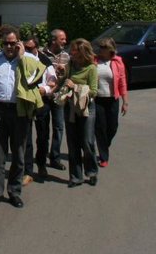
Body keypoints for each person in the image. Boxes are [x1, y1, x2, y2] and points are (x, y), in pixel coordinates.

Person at [0, 25, 35, 208]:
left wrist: (22, 57)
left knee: (18, 153)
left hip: (20, 111)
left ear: (19, 43)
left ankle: (14, 192)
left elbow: (33, 80)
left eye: (13, 43)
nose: (9, 47)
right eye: (6, 43)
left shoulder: (28, 60)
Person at [63, 39, 100, 188]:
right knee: (72, 143)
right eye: (71, 50)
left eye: (74, 50)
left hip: (86, 108)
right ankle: (75, 176)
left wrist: (75, 87)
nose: (71, 53)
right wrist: (61, 76)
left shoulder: (91, 68)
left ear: (83, 52)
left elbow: (93, 92)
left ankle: (91, 171)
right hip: (71, 107)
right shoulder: (71, 65)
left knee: (87, 141)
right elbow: (63, 81)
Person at [22, 37, 58, 183]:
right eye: (25, 48)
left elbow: (53, 81)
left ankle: (41, 164)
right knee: (26, 137)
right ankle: (28, 171)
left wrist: (45, 89)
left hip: (42, 101)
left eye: (30, 48)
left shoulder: (45, 61)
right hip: (26, 101)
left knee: (43, 136)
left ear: (37, 48)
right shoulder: (21, 60)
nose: (27, 51)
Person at [93, 37, 130, 167]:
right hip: (98, 99)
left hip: (112, 99)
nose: (101, 50)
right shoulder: (94, 61)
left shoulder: (117, 62)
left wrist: (125, 102)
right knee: (100, 128)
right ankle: (104, 157)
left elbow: (122, 82)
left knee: (112, 127)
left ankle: (104, 146)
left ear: (110, 49)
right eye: (100, 47)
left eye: (104, 48)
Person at [42, 29, 70, 170]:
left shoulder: (66, 56)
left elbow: (69, 75)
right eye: (62, 39)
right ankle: (41, 157)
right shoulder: (42, 54)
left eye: (65, 39)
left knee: (58, 127)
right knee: (43, 129)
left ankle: (55, 157)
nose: (65, 41)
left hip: (59, 97)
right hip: (44, 97)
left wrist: (64, 72)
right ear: (54, 40)